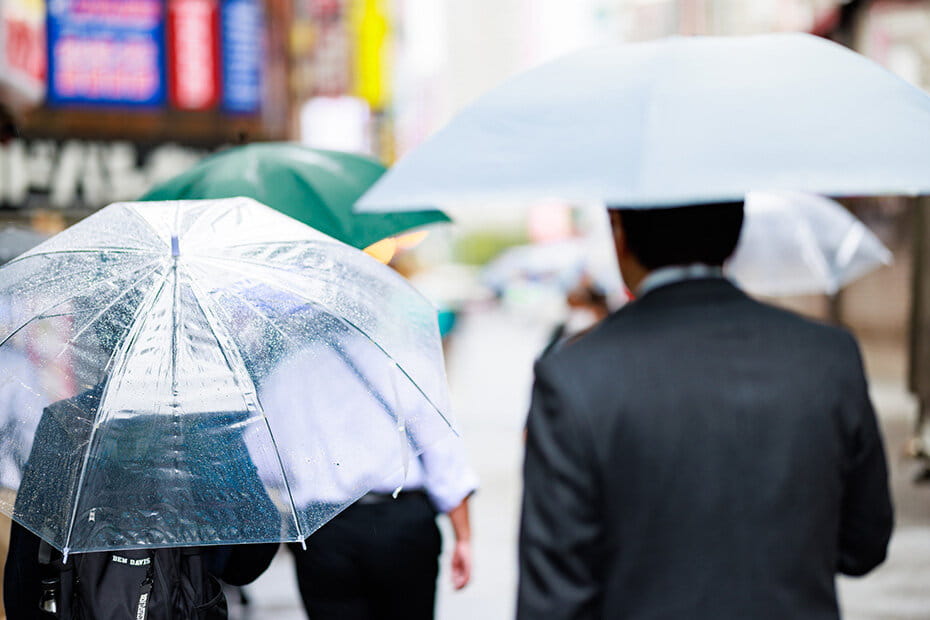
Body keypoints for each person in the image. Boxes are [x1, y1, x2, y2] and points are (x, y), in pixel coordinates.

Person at [518, 202, 894, 619]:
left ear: (619, 232)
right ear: (735, 233)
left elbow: (552, 597)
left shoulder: (572, 376)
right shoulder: (827, 357)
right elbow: (864, 544)